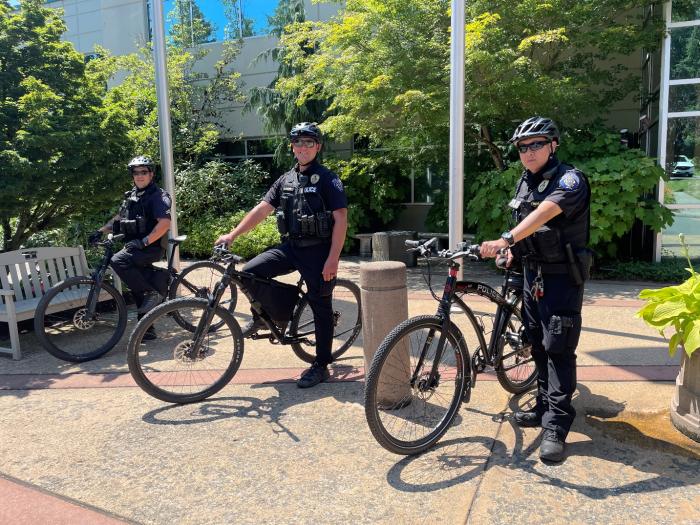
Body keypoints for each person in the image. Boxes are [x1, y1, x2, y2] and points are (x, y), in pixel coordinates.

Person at [480, 116, 592, 463]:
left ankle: (557, 426)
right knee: (538, 346)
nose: (528, 152)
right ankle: (544, 407)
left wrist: (506, 239)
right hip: (532, 276)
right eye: (523, 147)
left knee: (558, 348)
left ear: (553, 145)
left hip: (561, 279)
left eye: (536, 144)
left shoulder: (570, 179)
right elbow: (524, 226)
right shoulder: (524, 183)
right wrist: (512, 251)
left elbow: (546, 213)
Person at [215, 122, 348, 389]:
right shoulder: (285, 179)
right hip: (290, 247)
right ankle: (274, 317)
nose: (303, 147)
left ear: (318, 147)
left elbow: (341, 218)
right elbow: (262, 209)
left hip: (319, 252)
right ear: (292, 147)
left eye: (309, 142)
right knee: (250, 272)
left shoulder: (327, 178)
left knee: (321, 306)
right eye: (298, 143)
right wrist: (232, 235)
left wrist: (333, 258)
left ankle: (321, 365)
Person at [89, 156, 172, 339]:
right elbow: (119, 219)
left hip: (151, 246)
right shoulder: (131, 196)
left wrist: (144, 242)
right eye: (136, 172)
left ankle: (152, 292)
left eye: (144, 172)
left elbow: (165, 224)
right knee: (136, 282)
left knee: (119, 260)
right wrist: (100, 231)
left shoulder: (158, 196)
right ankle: (147, 330)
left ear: (151, 174)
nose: (139, 176)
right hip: (134, 245)